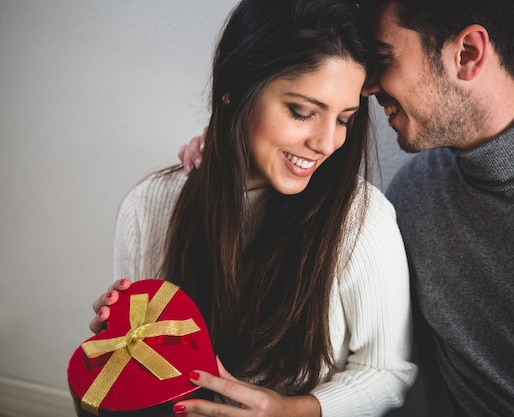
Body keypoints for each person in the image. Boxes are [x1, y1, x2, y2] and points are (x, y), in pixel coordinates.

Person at [180, 0, 514, 416]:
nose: (368, 88)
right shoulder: (415, 190)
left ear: (467, 53)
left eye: (383, 57)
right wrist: (237, 138)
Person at [90, 1, 417, 416]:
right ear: (233, 86)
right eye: (302, 112)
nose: (326, 142)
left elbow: (386, 371)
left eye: (344, 119)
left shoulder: (362, 220)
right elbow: (146, 365)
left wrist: (293, 411)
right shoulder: (148, 205)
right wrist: (120, 342)